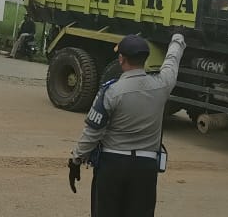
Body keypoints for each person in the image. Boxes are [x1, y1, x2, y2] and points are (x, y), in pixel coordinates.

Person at [67, 31, 188, 217]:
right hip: (146, 168)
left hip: (112, 166)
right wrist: (177, 38)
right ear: (145, 59)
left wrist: (76, 159)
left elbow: (93, 132)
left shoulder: (111, 91)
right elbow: (172, 61)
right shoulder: (163, 85)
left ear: (122, 59)